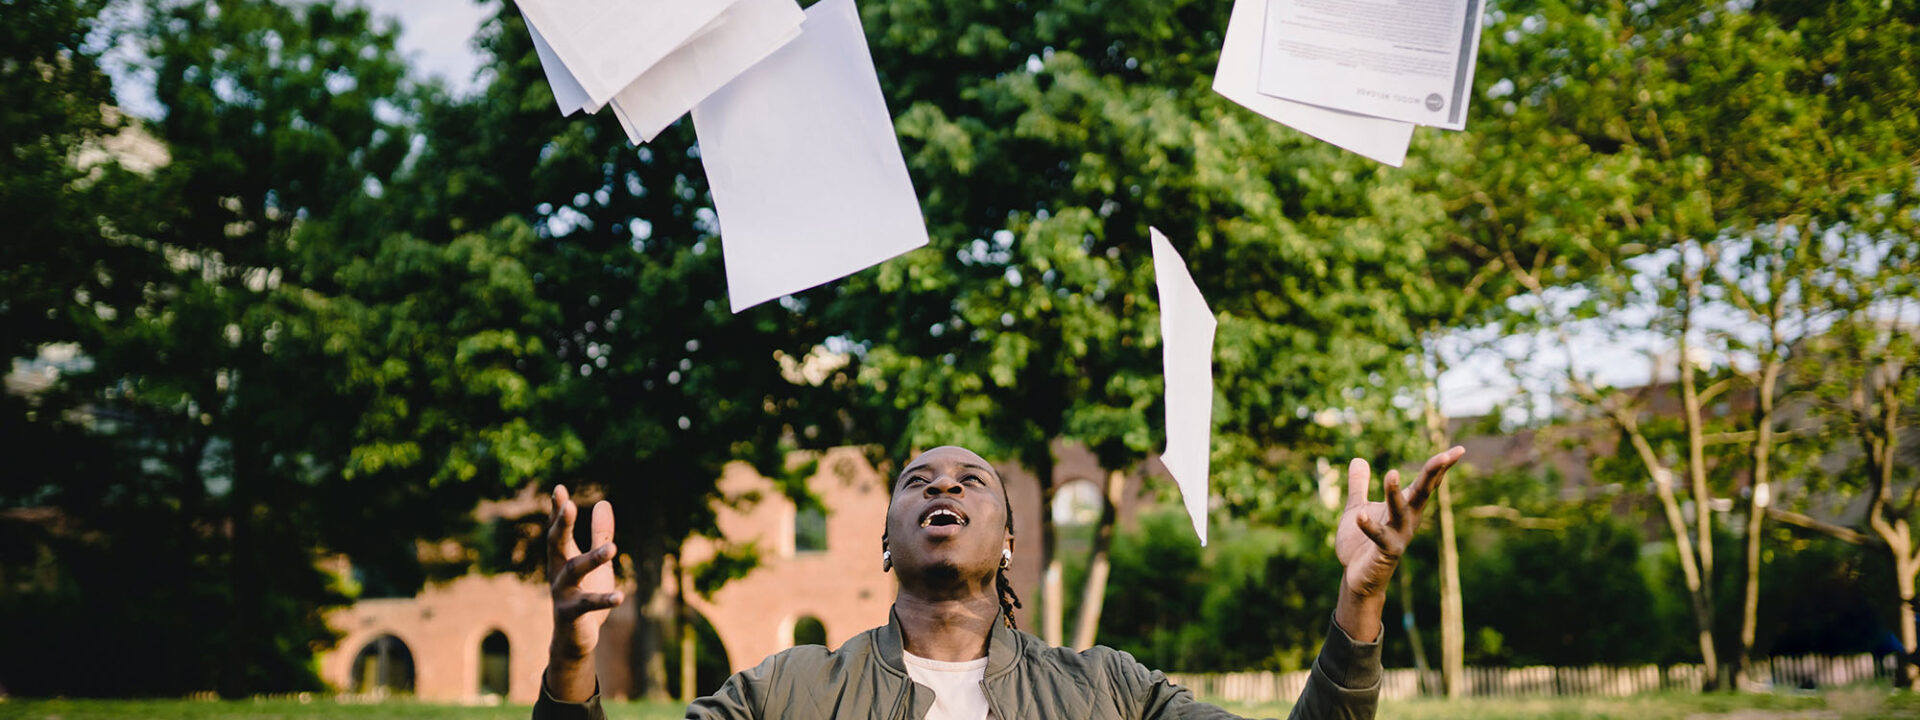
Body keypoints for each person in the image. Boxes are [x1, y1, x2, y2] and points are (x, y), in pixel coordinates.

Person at [534, 444, 1464, 720]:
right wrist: (573, 656)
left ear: (1011, 545)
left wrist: (1361, 600)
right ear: (887, 545)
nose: (943, 486)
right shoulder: (786, 692)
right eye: (918, 482)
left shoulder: (1111, 692)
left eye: (971, 480)